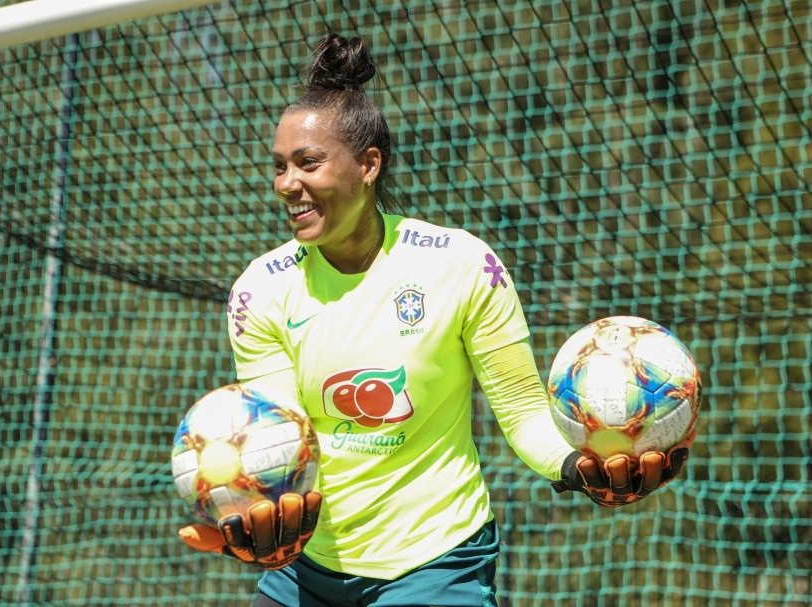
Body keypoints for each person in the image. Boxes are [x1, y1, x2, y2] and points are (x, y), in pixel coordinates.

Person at [178, 32, 692, 607]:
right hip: (307, 566)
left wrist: (577, 466)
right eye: (279, 167)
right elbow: (280, 437)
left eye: (308, 163)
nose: (287, 184)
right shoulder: (260, 291)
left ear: (369, 165)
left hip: (437, 561)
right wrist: (262, 512)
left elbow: (522, 411)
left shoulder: (463, 265)